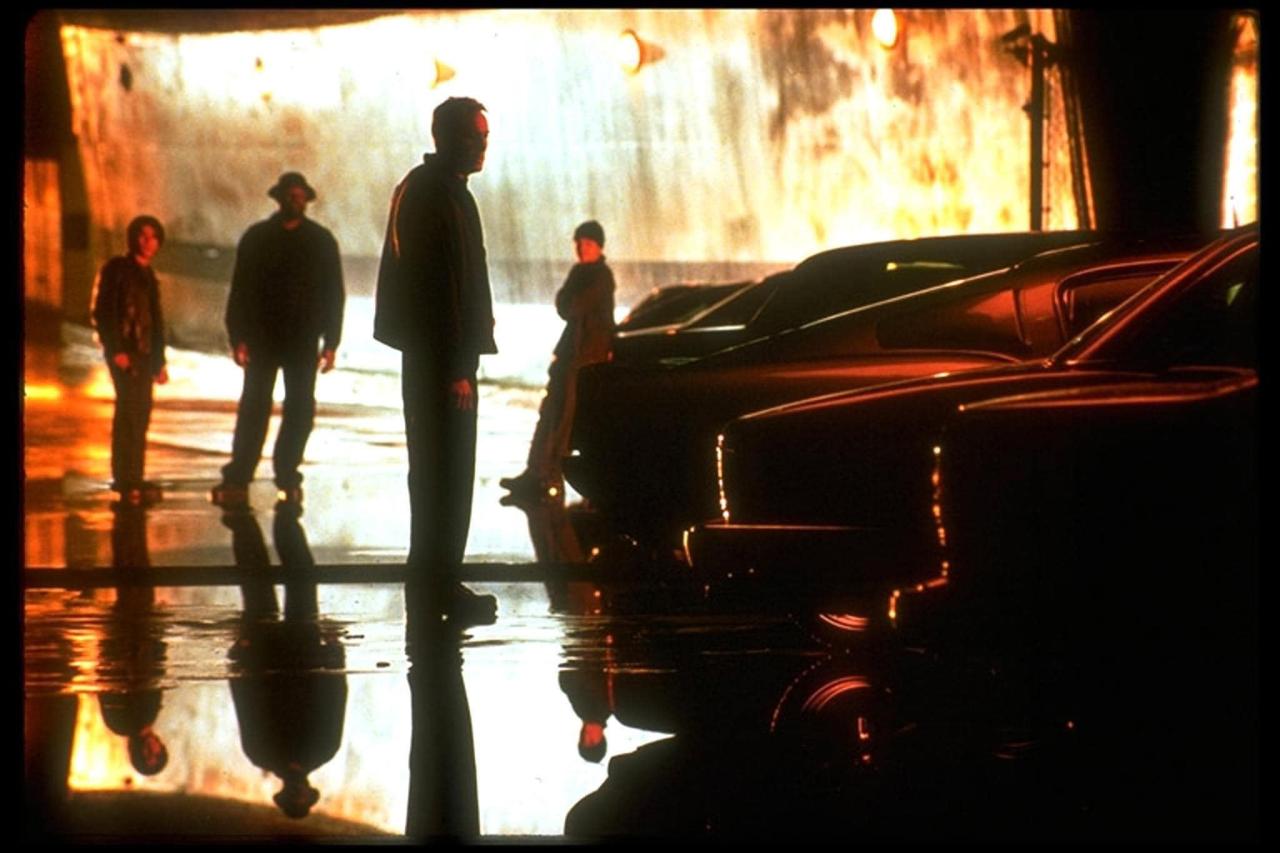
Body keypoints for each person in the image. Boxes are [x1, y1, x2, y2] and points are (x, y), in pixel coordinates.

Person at [374, 96, 498, 627]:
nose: (483, 146)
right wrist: (458, 367)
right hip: (442, 364)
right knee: (445, 474)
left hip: (436, 359)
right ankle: (438, 588)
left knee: (436, 474)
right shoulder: (436, 194)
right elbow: (437, 290)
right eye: (475, 136)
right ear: (445, 138)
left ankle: (437, 585)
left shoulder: (433, 189)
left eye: (485, 136)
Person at [212, 172, 345, 508]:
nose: (294, 201)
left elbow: (334, 295)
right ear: (280, 198)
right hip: (265, 338)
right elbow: (241, 290)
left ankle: (284, 473)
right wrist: (239, 337)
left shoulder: (318, 241)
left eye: (299, 196)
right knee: (256, 407)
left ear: (306, 200)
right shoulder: (260, 238)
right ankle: (243, 474)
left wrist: (332, 342)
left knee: (297, 409)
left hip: (300, 339)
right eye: (290, 195)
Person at [500, 220, 616, 504]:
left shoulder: (601, 276)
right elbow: (565, 305)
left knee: (565, 418)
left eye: (587, 244)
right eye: (579, 243)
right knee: (551, 412)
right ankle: (536, 473)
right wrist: (569, 303)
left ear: (598, 247)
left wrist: (569, 303)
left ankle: (548, 477)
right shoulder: (581, 272)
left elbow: (571, 305)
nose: (582, 248)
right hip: (571, 353)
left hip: (586, 356)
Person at [91, 214, 169, 504]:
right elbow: (103, 312)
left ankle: (134, 476)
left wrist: (159, 362)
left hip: (144, 353)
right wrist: (116, 350)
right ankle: (126, 478)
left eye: (153, 237)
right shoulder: (117, 269)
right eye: (143, 236)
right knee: (130, 414)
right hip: (126, 351)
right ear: (133, 238)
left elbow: (156, 322)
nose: (147, 242)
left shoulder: (149, 276)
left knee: (140, 414)